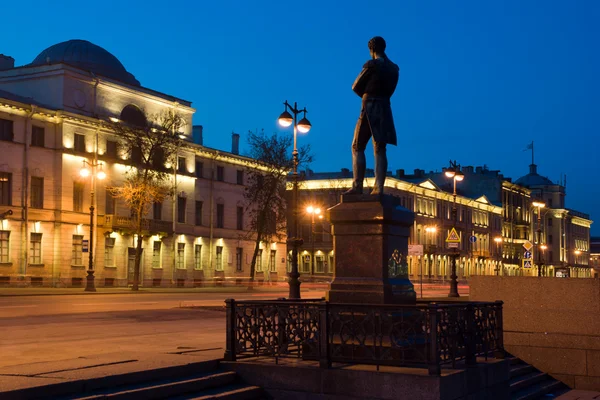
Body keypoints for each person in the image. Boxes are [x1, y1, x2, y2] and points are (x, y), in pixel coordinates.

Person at [345, 36, 399, 195]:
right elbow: (391, 90)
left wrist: (368, 94)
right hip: (385, 107)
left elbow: (355, 86)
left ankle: (357, 186)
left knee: (357, 146)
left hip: (369, 107)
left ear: (372, 49)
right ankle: (379, 188)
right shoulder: (394, 69)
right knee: (380, 148)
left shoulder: (372, 65)